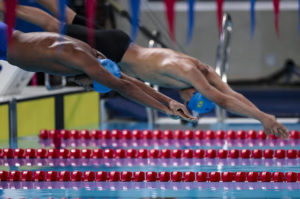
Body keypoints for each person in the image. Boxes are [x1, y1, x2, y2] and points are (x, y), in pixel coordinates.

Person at [0, 1, 289, 139]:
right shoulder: (191, 75)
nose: (193, 99)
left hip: (123, 46)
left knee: (71, 19)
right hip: (119, 51)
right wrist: (263, 117)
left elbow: (230, 92)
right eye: (194, 101)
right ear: (193, 95)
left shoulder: (200, 68)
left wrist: (263, 115)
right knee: (56, 27)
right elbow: (222, 98)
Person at [0, 21, 196, 122]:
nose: (82, 86)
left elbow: (125, 79)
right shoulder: (81, 59)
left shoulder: (93, 56)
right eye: (89, 87)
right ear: (94, 78)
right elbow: (124, 86)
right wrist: (165, 111)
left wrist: (170, 102)